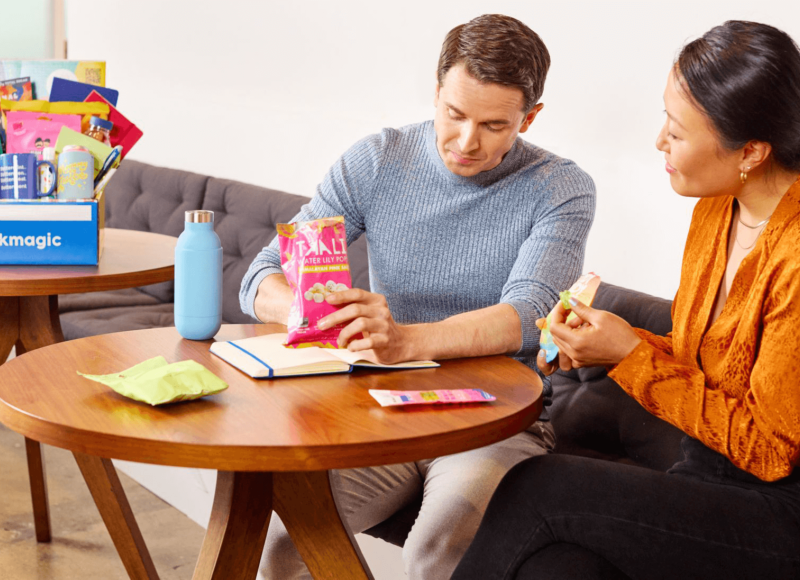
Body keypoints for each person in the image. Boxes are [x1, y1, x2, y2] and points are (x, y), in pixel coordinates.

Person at [452, 20, 800, 580]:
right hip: (710, 479)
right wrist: (604, 343)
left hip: (797, 512)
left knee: (538, 484)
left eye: (676, 128)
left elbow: (767, 448)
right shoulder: (718, 209)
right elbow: (715, 367)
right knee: (556, 567)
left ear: (751, 150)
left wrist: (628, 356)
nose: (658, 141)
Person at [238, 14, 596, 580]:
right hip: (384, 411)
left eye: (495, 125)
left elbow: (530, 316)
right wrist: (316, 314)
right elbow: (259, 278)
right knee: (282, 540)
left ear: (530, 117)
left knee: (435, 551)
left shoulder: (561, 187)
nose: (466, 142)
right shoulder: (378, 160)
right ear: (435, 92)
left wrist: (403, 340)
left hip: (496, 419)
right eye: (453, 114)